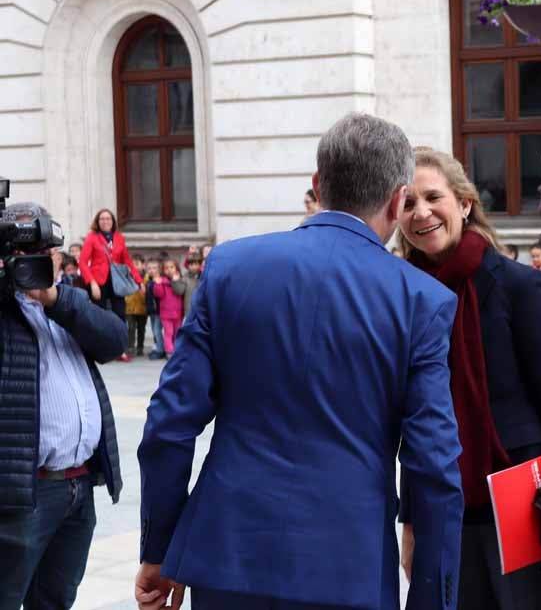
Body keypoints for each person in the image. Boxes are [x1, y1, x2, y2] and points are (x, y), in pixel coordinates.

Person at [135, 114, 464, 610]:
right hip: (347, 562)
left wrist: (159, 545)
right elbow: (434, 465)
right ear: (398, 201)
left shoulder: (229, 267)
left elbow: (169, 423)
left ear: (317, 184)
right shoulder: (421, 299)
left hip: (229, 551)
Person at [396, 147, 541, 610]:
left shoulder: (519, 286)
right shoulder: (402, 296)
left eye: (432, 197)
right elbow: (412, 424)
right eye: (407, 203)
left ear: (464, 203)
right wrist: (411, 520)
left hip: (521, 504)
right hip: (444, 506)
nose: (421, 212)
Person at [0, 202, 126, 610]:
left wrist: (53, 299)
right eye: (24, 256)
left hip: (78, 488)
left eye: (46, 253)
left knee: (54, 601)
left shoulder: (67, 302)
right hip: (22, 495)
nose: (37, 264)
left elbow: (114, 340)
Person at [78, 208, 143, 320]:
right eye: (102, 219)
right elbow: (82, 262)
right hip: (98, 282)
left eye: (108, 219)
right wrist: (92, 283)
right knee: (99, 315)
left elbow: (127, 261)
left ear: (113, 221)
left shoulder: (119, 237)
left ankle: (120, 337)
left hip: (117, 280)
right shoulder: (92, 237)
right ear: (97, 222)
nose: (105, 221)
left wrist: (139, 280)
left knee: (120, 314)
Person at [152, 259, 184, 357]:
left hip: (178, 313)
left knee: (177, 333)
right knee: (168, 333)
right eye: (166, 268)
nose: (169, 270)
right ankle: (169, 352)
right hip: (166, 314)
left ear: (176, 268)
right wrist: (157, 284)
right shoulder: (162, 281)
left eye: (172, 267)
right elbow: (159, 294)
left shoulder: (180, 280)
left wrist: (176, 281)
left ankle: (177, 350)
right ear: (163, 270)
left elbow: (181, 292)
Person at [124, 254, 148, 357]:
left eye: (137, 264)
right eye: (131, 265)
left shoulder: (147, 277)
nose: (134, 267)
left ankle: (140, 347)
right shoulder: (127, 277)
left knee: (141, 329)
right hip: (129, 307)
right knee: (130, 328)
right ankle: (130, 347)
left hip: (142, 308)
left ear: (143, 265)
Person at [144, 258, 166, 360]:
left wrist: (157, 284)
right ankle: (158, 347)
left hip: (159, 311)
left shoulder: (160, 280)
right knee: (154, 330)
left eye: (154, 268)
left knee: (157, 330)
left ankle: (161, 350)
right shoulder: (149, 280)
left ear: (160, 269)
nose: (152, 270)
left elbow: (160, 295)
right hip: (152, 310)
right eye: (149, 268)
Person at [173, 254, 202, 321]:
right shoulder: (185, 277)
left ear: (200, 265)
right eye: (191, 265)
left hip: (202, 311)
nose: (194, 267)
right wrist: (175, 281)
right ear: (188, 266)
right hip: (189, 311)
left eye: (196, 264)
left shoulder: (203, 276)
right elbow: (179, 291)